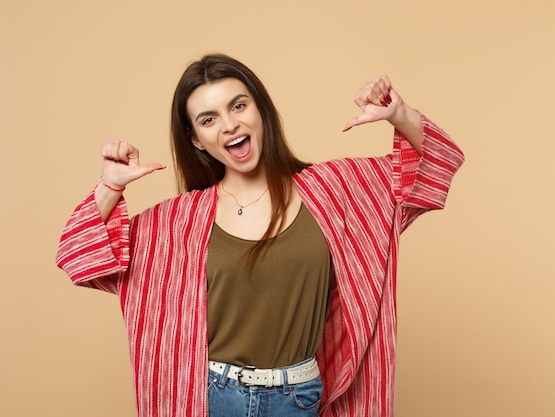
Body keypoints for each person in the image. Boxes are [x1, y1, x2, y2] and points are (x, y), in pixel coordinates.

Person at [56, 53, 464, 417]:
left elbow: (433, 171)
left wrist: (400, 113)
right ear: (196, 139)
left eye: (238, 105)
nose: (230, 125)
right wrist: (109, 187)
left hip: (299, 397)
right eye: (208, 118)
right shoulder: (176, 222)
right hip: (209, 398)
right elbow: (81, 257)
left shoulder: (337, 191)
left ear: (260, 110)